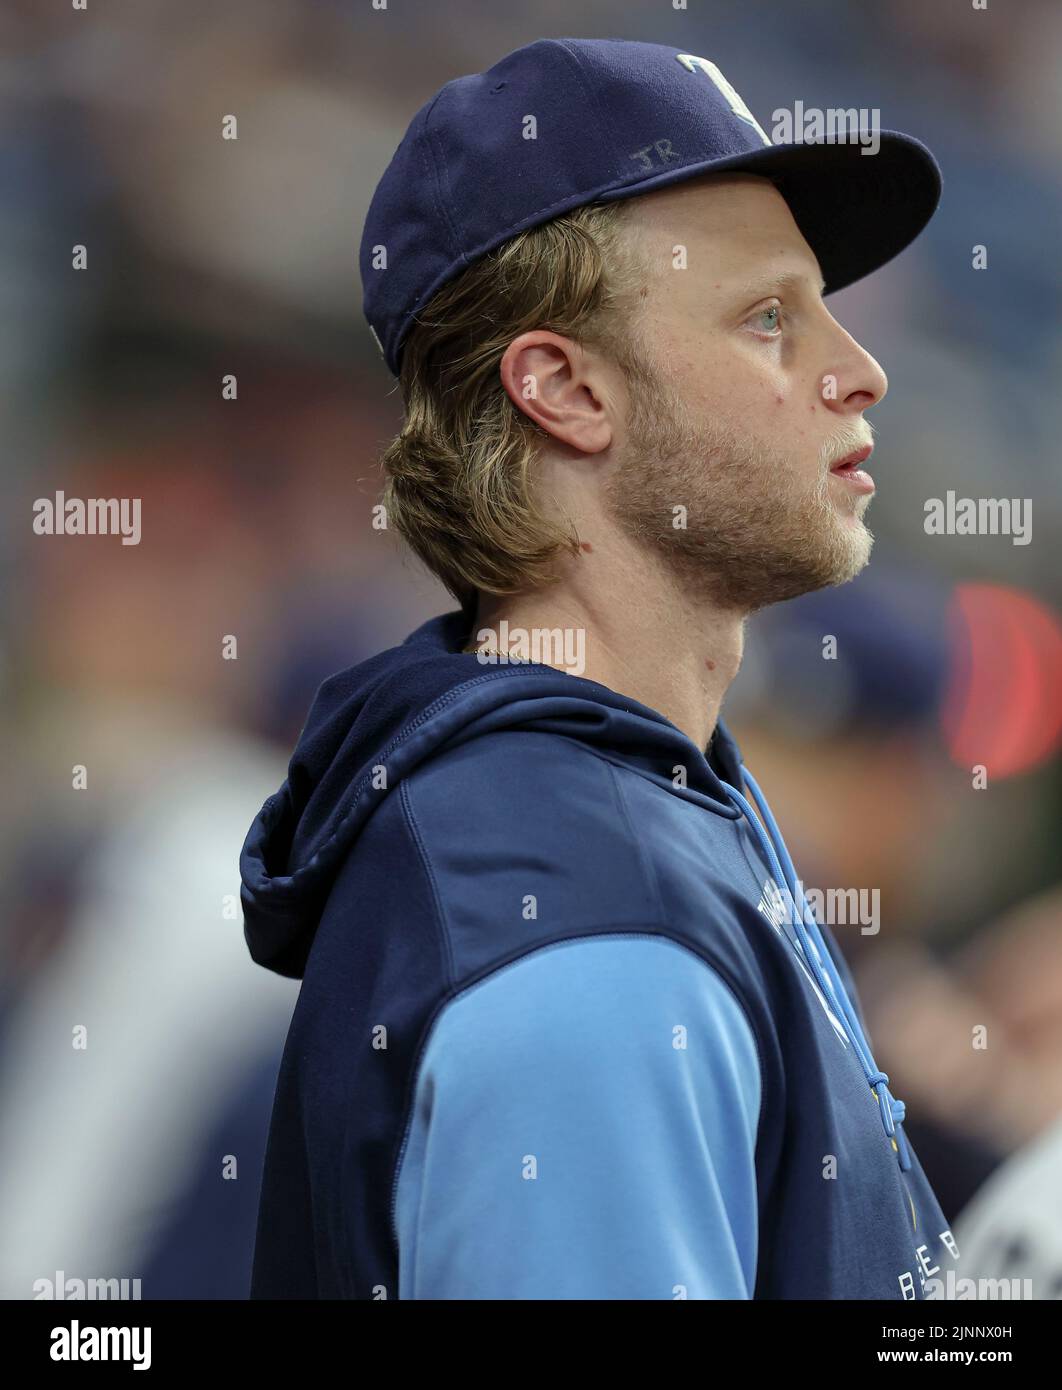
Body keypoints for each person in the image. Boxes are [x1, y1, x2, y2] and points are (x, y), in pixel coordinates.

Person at [241, 37, 957, 1299]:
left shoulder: (632, 808)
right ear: (565, 390)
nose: (861, 370)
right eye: (770, 317)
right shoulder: (583, 902)